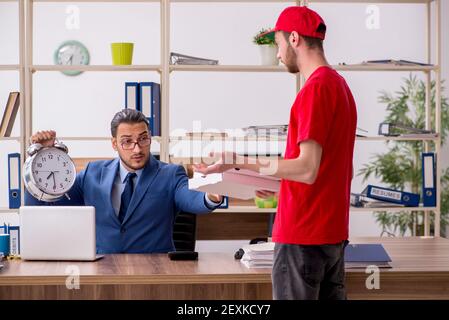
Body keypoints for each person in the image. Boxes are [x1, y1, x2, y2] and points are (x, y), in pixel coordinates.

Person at [194, 6, 357, 300]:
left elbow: (307, 169)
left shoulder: (314, 90)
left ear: (294, 39)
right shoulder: (340, 87)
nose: (278, 54)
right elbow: (331, 170)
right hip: (331, 234)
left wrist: (237, 161)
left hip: (302, 236)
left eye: (278, 44)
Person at [25, 109, 223, 254]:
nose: (137, 149)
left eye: (143, 139)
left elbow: (190, 196)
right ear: (114, 144)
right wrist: (39, 160)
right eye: (127, 141)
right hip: (102, 272)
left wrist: (211, 195)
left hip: (156, 272)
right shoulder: (92, 174)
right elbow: (44, 206)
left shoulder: (170, 174)